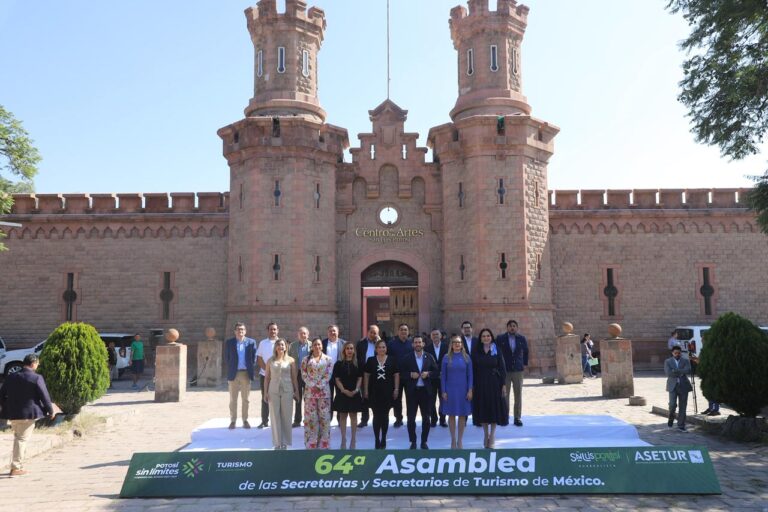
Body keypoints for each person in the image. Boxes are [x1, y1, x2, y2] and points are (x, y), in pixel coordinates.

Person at [0, 353, 54, 477]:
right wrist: (50, 411)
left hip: (13, 413)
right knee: (21, 439)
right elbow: (44, 397)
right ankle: (16, 468)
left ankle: (18, 465)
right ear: (33, 363)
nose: (38, 365)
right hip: (28, 414)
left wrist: (4, 407)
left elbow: (1, 394)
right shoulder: (36, 378)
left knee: (18, 437)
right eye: (37, 363)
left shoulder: (11, 377)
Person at [400, 334, 438, 449]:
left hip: (425, 392)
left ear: (423, 344)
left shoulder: (429, 357)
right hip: (412, 392)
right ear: (412, 344)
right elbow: (401, 373)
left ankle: (424, 441)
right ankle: (413, 441)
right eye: (415, 342)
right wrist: (410, 374)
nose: (417, 344)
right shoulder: (407, 358)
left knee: (426, 418)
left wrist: (429, 374)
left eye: (419, 342)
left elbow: (436, 372)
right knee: (411, 418)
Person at [474, 328, 509, 448]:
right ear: (481, 338)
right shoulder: (476, 351)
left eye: (488, 335)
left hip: (495, 383)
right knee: (483, 408)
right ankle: (485, 434)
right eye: (483, 336)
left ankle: (492, 435)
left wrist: (503, 384)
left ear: (491, 337)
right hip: (480, 383)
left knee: (494, 408)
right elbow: (473, 369)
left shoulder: (496, 349)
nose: (486, 338)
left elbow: (502, 367)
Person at [364, 339, 400, 449]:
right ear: (376, 349)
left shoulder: (392, 360)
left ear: (386, 348)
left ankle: (384, 438)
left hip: (388, 392)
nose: (382, 349)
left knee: (385, 416)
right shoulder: (371, 360)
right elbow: (366, 375)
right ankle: (376, 439)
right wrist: (365, 390)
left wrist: (396, 389)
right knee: (376, 416)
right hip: (374, 392)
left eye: (383, 347)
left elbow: (396, 375)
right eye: (379, 347)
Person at [263, 338, 299, 449]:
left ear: (286, 347)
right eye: (278, 345)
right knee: (274, 416)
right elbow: (267, 378)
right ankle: (277, 442)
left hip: (287, 390)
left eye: (282, 345)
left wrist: (296, 391)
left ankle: (285, 442)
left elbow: (294, 377)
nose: (281, 347)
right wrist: (265, 392)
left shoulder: (291, 360)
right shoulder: (270, 360)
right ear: (276, 347)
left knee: (286, 416)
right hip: (273, 390)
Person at [441, 335, 473, 449]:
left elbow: (470, 376)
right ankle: (453, 440)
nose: (457, 344)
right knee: (451, 415)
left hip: (463, 390)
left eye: (459, 342)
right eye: (455, 342)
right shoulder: (446, 357)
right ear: (451, 344)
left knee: (462, 415)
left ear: (462, 344)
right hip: (450, 390)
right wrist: (443, 391)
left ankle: (460, 440)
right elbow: (443, 376)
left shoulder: (467, 358)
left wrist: (470, 390)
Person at [301, 337, 333, 449]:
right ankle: (312, 441)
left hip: (324, 393)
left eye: (319, 344)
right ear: (312, 346)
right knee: (311, 418)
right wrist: (312, 385)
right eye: (315, 344)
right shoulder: (306, 360)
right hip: (310, 393)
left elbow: (328, 374)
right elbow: (304, 374)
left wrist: (319, 386)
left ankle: (325, 441)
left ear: (322, 346)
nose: (317, 346)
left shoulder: (328, 359)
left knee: (324, 417)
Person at [225, 322, 257, 429]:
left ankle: (245, 420)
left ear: (245, 331)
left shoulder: (251, 342)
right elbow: (227, 357)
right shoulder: (229, 342)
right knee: (233, 399)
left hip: (245, 373)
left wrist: (250, 366)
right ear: (235, 331)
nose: (240, 331)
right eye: (238, 329)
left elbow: (254, 357)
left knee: (245, 399)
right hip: (234, 373)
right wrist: (232, 366)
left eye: (242, 329)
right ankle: (233, 420)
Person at [332, 341, 364, 449]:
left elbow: (360, 378)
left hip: (354, 393)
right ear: (344, 351)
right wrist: (344, 390)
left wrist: (356, 390)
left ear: (354, 351)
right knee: (343, 416)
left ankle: (354, 439)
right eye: (347, 348)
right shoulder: (338, 364)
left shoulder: (358, 363)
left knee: (353, 416)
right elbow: (337, 379)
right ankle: (343, 439)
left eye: (351, 348)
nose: (349, 350)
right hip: (342, 393)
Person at [496, 320, 528, 427]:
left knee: (518, 394)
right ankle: (505, 417)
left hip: (518, 371)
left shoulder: (521, 338)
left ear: (517, 328)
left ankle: (517, 417)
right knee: (505, 395)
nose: (512, 328)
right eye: (510, 326)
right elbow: (497, 352)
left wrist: (524, 364)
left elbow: (526, 351)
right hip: (505, 371)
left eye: (514, 326)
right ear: (507, 327)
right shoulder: (501, 338)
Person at [387, 323, 412, 428]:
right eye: (401, 330)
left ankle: (410, 418)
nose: (403, 332)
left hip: (409, 376)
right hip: (396, 376)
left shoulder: (412, 344)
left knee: (411, 398)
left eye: (405, 330)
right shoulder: (391, 344)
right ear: (398, 332)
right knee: (397, 399)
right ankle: (398, 418)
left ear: (408, 332)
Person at [356, 324, 381, 428]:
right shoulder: (361, 343)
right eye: (371, 332)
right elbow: (357, 357)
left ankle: (378, 419)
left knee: (376, 397)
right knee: (364, 397)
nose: (373, 334)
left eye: (375, 333)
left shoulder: (379, 344)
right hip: (363, 373)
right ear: (368, 332)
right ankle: (364, 419)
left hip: (376, 374)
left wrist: (379, 341)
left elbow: (384, 353)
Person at [256, 322, 279, 428]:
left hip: (278, 376)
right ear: (268, 330)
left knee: (278, 398)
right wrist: (268, 370)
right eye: (271, 329)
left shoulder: (281, 343)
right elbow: (259, 358)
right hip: (264, 375)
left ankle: (278, 421)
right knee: (265, 397)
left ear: (277, 330)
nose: (273, 331)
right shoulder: (262, 343)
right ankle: (264, 420)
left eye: (274, 329)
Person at [665, 345, 693, 432]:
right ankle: (671, 417)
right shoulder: (668, 361)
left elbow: (688, 370)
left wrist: (676, 371)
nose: (677, 354)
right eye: (675, 353)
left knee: (683, 406)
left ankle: (681, 425)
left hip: (684, 385)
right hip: (672, 386)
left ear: (681, 353)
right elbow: (668, 373)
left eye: (679, 353)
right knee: (672, 405)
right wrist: (681, 372)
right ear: (672, 353)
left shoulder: (685, 361)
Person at [288, 327, 312, 427]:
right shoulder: (293, 346)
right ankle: (297, 420)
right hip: (296, 373)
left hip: (309, 374)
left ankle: (308, 419)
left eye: (305, 333)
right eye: (301, 334)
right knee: (297, 397)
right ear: (298, 335)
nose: (303, 335)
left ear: (308, 334)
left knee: (308, 398)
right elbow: (288, 358)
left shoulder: (312, 345)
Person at [425, 328, 448, 427]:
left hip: (444, 378)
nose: (435, 336)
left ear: (441, 336)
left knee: (443, 399)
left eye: (437, 334)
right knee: (431, 399)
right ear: (431, 337)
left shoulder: (447, 347)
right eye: (433, 335)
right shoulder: (427, 348)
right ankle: (433, 419)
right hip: (431, 379)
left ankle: (442, 419)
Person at [322, 324, 344, 421]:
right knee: (328, 397)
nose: (332, 333)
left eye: (334, 331)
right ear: (327, 333)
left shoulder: (344, 343)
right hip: (326, 374)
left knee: (340, 396)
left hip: (340, 375)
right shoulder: (322, 343)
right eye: (330, 331)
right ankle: (328, 419)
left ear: (338, 332)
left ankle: (340, 419)